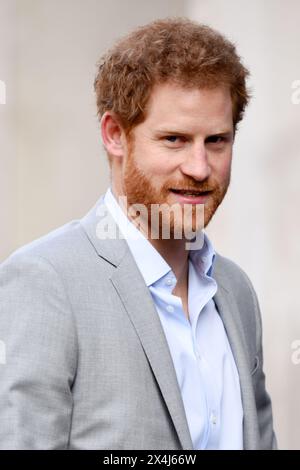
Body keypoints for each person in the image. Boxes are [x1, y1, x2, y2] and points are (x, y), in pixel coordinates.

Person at [0, 17, 276, 450]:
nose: (200, 168)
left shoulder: (236, 290)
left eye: (217, 141)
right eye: (174, 139)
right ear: (115, 135)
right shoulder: (45, 282)